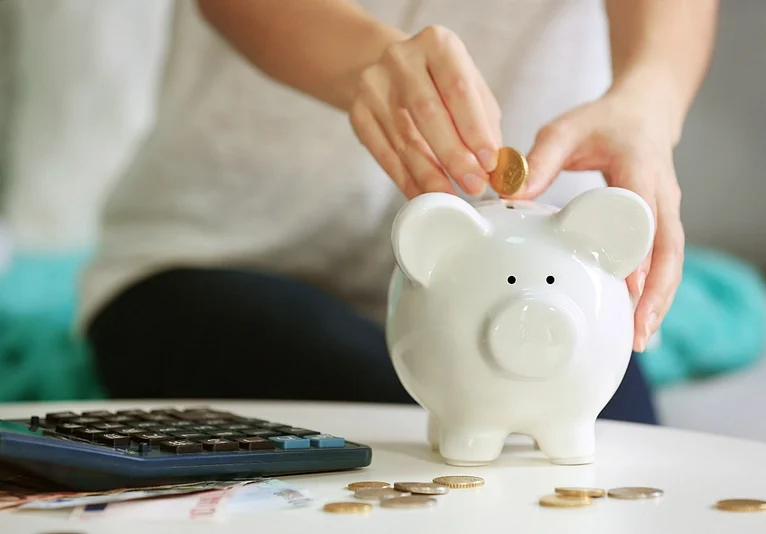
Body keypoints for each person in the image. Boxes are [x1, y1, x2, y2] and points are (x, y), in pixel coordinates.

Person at [79, 0, 718, 425]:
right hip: (216, 252)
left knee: (610, 446)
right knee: (427, 429)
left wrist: (648, 99)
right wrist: (364, 62)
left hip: (552, 272)